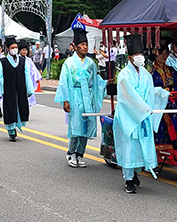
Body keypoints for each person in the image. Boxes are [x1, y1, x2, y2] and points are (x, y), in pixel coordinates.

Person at [114, 34, 169, 193]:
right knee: (130, 146)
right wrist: (144, 108)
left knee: (140, 146)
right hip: (129, 116)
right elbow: (128, 96)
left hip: (142, 115)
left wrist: (160, 93)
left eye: (141, 55)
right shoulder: (124, 74)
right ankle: (128, 178)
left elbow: (149, 93)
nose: (140, 58)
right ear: (130, 57)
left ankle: (135, 173)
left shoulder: (145, 74)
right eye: (137, 55)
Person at [54, 29, 107, 168]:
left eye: (86, 44)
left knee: (87, 125)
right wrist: (65, 100)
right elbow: (64, 82)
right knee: (76, 126)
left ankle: (80, 154)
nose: (85, 47)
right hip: (75, 96)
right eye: (82, 44)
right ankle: (71, 152)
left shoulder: (91, 63)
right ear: (75, 46)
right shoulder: (69, 63)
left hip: (88, 97)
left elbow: (96, 82)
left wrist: (106, 83)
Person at [0, 36, 35, 141]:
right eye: (12, 47)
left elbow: (27, 75)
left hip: (20, 88)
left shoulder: (22, 61)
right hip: (9, 89)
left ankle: (17, 124)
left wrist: (29, 90)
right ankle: (11, 130)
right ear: (8, 49)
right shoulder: (3, 62)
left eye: (16, 47)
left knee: (20, 107)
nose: (15, 49)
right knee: (10, 108)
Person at [18, 40, 42, 106]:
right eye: (22, 50)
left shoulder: (28, 60)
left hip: (28, 80)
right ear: (19, 50)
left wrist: (37, 78)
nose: (24, 52)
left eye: (25, 50)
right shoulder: (16, 59)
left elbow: (33, 69)